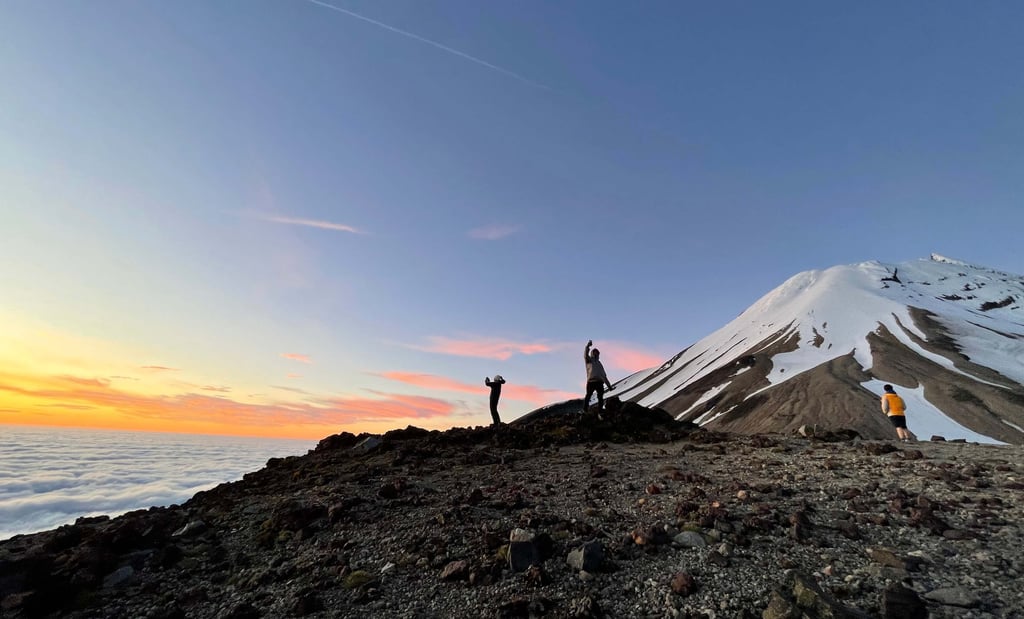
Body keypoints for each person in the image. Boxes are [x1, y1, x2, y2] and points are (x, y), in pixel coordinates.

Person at [584, 340, 613, 413]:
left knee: (600, 397)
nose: (596, 354)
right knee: (588, 396)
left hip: (599, 382)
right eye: (595, 352)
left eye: (597, 353)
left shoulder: (600, 364)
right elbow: (585, 355)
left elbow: (604, 375)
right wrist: (587, 346)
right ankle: (585, 409)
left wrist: (609, 386)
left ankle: (600, 410)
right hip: (591, 381)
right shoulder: (589, 360)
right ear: (592, 353)